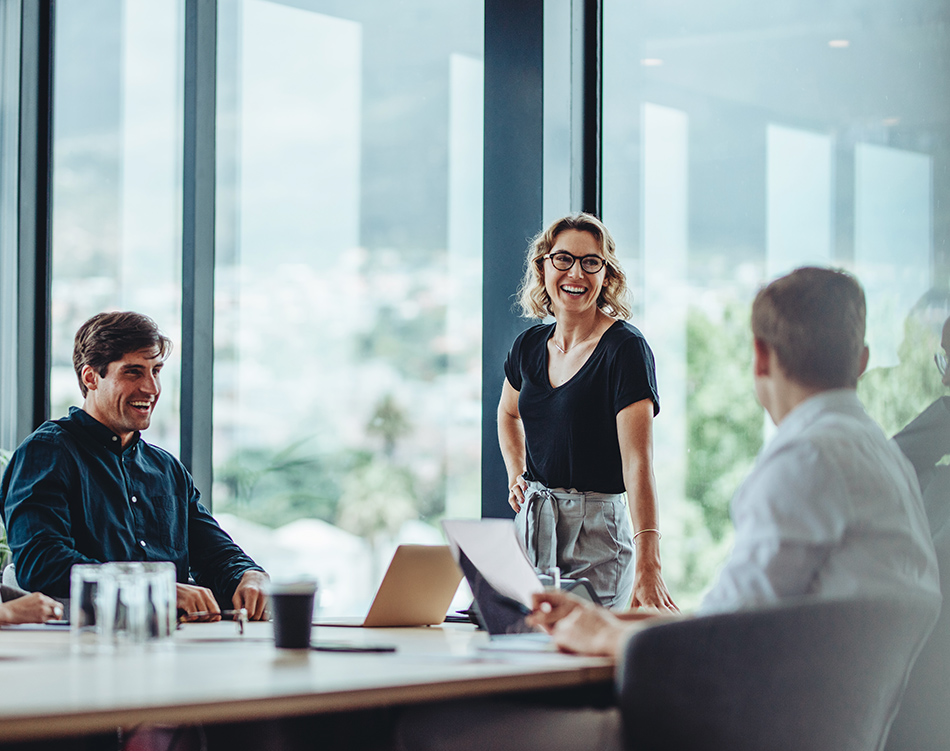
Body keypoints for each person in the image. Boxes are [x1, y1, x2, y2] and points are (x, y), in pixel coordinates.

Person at [395, 266, 941, 751]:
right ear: (862, 361)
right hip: (812, 728)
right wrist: (606, 618)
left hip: (719, 731)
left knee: (429, 730)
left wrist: (601, 635)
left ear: (760, 357)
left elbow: (724, 643)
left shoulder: (805, 459)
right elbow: (752, 618)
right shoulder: (882, 458)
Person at [0, 311, 269, 620]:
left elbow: (215, 553)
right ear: (91, 377)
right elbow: (42, 563)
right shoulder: (46, 452)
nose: (151, 388)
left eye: (156, 371)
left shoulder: (167, 469)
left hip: (173, 644)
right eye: (133, 372)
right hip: (81, 645)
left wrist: (249, 574)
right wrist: (152, 588)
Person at [498, 213, 675, 610]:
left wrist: (650, 563)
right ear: (543, 267)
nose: (575, 273)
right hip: (532, 525)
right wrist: (516, 473)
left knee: (586, 663)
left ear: (606, 274)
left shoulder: (625, 349)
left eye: (590, 262)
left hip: (596, 534)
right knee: (525, 655)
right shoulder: (527, 346)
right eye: (563, 259)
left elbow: (638, 463)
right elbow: (508, 414)